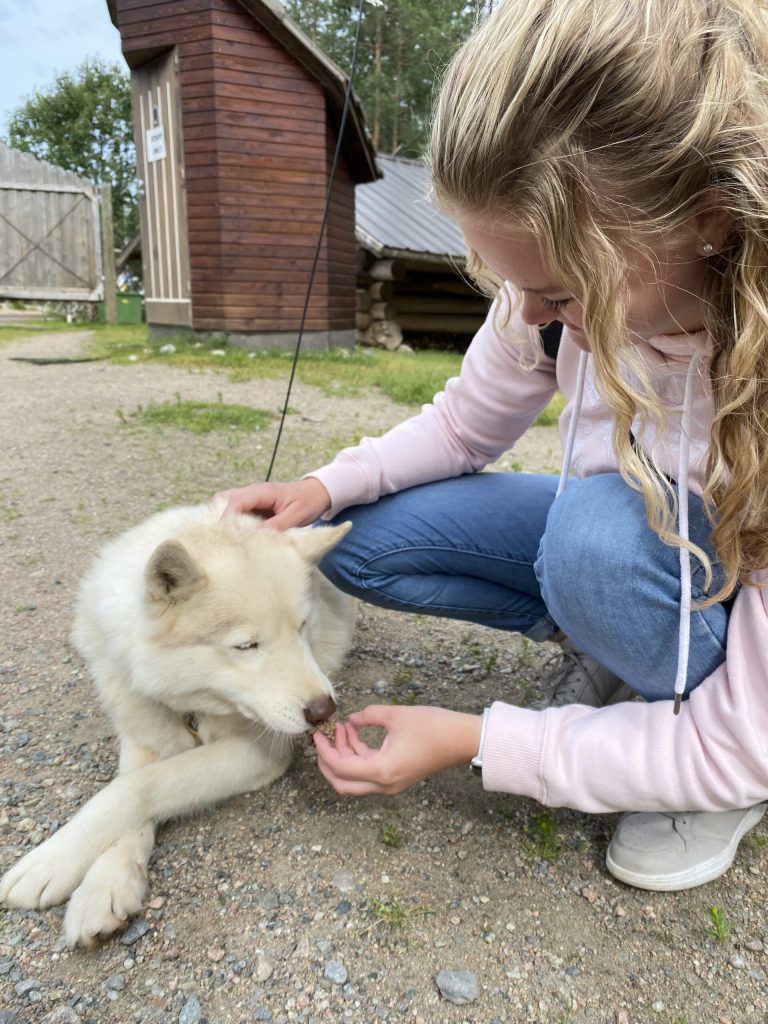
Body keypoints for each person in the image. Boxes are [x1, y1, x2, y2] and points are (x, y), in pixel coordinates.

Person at [217, 0, 768, 892]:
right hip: (637, 554)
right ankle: (618, 657)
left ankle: (694, 751)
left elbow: (749, 739)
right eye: (514, 288)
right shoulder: (545, 302)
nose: (533, 318)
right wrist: (322, 486)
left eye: (558, 291)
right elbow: (463, 422)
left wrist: (484, 740)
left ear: (708, 220)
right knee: (361, 535)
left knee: (593, 539)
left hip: (722, 602)